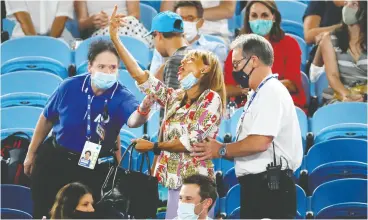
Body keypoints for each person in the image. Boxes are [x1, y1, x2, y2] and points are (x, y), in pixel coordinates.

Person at [109, 5, 226, 219]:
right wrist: (116, 40)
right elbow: (141, 77)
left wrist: (154, 146)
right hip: (174, 182)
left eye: (187, 64)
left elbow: (189, 142)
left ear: (203, 70)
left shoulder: (211, 99)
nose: (180, 67)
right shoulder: (176, 97)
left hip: (196, 186)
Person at [23, 39, 152, 218]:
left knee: (88, 213)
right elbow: (46, 119)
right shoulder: (69, 87)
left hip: (91, 164)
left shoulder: (122, 95)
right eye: (102, 66)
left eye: (112, 67)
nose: (107, 72)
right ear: (90, 66)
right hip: (56, 158)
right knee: (45, 210)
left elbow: (133, 121)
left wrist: (143, 110)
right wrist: (31, 153)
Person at [192, 34, 303, 219]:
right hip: (258, 187)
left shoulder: (271, 91)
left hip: (269, 190)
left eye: (236, 64)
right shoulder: (259, 93)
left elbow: (260, 142)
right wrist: (219, 150)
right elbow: (252, 147)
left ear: (253, 61)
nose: (234, 70)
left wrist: (221, 149)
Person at [224, 0, 306, 111]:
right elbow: (227, 89)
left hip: (282, 106)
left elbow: (292, 84)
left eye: (264, 15)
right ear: (248, 19)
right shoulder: (237, 49)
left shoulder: (289, 44)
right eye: (254, 16)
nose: (259, 20)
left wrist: (258, 88)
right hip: (247, 109)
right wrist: (251, 91)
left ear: (274, 17)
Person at [150, 1, 228, 75]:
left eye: (190, 18)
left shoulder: (215, 48)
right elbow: (152, 83)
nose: (184, 23)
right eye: (180, 19)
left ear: (200, 23)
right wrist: (172, 53)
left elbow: (214, 81)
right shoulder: (162, 48)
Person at [320, 0, 367, 104]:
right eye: (345, 4)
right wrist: (347, 95)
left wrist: (363, 96)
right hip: (340, 96)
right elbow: (333, 76)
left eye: (353, 4)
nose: (347, 8)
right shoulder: (329, 39)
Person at [74, 0, 153, 48]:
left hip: (126, 25)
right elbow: (81, 24)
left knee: (130, 21)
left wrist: (117, 20)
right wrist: (92, 21)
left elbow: (135, 14)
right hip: (101, 31)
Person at [303, 0, 344, 81]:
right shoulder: (319, 2)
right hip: (322, 59)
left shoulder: (362, 5)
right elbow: (309, 36)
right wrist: (342, 28)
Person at [147, 11, 188, 90]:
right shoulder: (197, 54)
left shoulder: (175, 61)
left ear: (158, 35)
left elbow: (173, 101)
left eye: (153, 37)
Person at [160, 0, 236, 41]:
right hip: (180, 35)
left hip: (213, 35)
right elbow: (165, 15)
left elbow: (228, 10)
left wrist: (194, 15)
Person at [5, 0, 74, 42]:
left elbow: (61, 20)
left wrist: (50, 47)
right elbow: (23, 19)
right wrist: (39, 48)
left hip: (59, 40)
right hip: (23, 40)